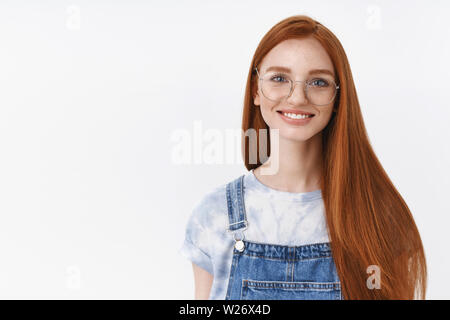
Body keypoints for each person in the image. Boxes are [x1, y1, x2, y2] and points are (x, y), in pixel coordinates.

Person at [179, 14, 427, 300]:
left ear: (338, 98)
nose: (297, 98)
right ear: (255, 90)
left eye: (318, 82)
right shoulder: (214, 215)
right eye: (280, 78)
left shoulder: (379, 218)